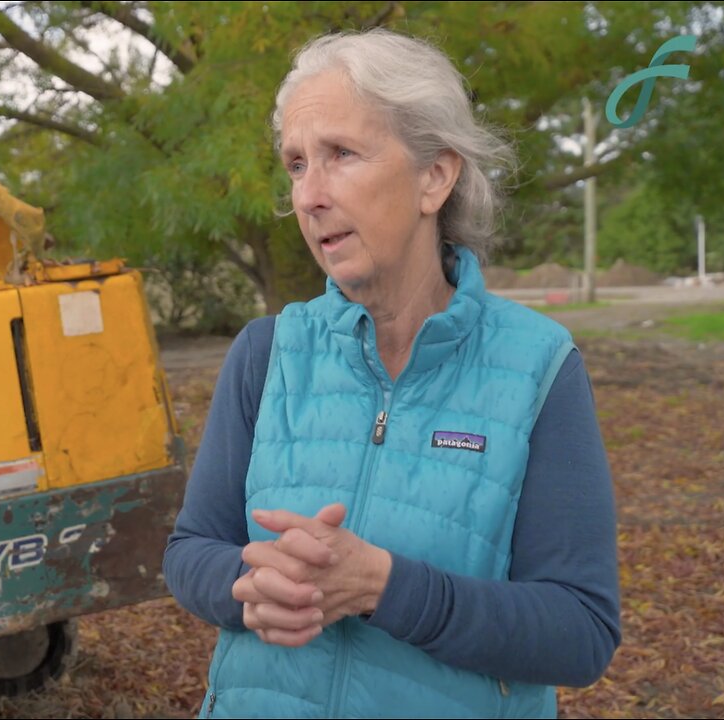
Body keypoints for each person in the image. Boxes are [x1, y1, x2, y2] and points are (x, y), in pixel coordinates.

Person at [164, 29, 621, 718]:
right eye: (295, 164)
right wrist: (251, 584)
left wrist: (385, 587)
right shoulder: (265, 353)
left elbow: (580, 632)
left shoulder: (538, 367)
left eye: (341, 154)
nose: (309, 196)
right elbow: (190, 550)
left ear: (435, 176)